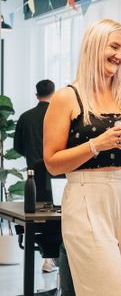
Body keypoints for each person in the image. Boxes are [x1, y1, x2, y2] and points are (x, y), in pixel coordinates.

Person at [43, 19, 121, 296]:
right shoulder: (67, 98)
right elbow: (52, 162)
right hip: (86, 197)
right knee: (106, 289)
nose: (120, 56)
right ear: (94, 46)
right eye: (114, 46)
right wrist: (96, 145)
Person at [14, 79, 58, 273]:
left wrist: (32, 156)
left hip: (34, 176)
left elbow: (17, 146)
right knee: (57, 216)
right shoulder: (58, 115)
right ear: (54, 94)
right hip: (58, 175)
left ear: (36, 95)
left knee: (37, 218)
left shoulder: (26, 117)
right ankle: (55, 258)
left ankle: (47, 259)